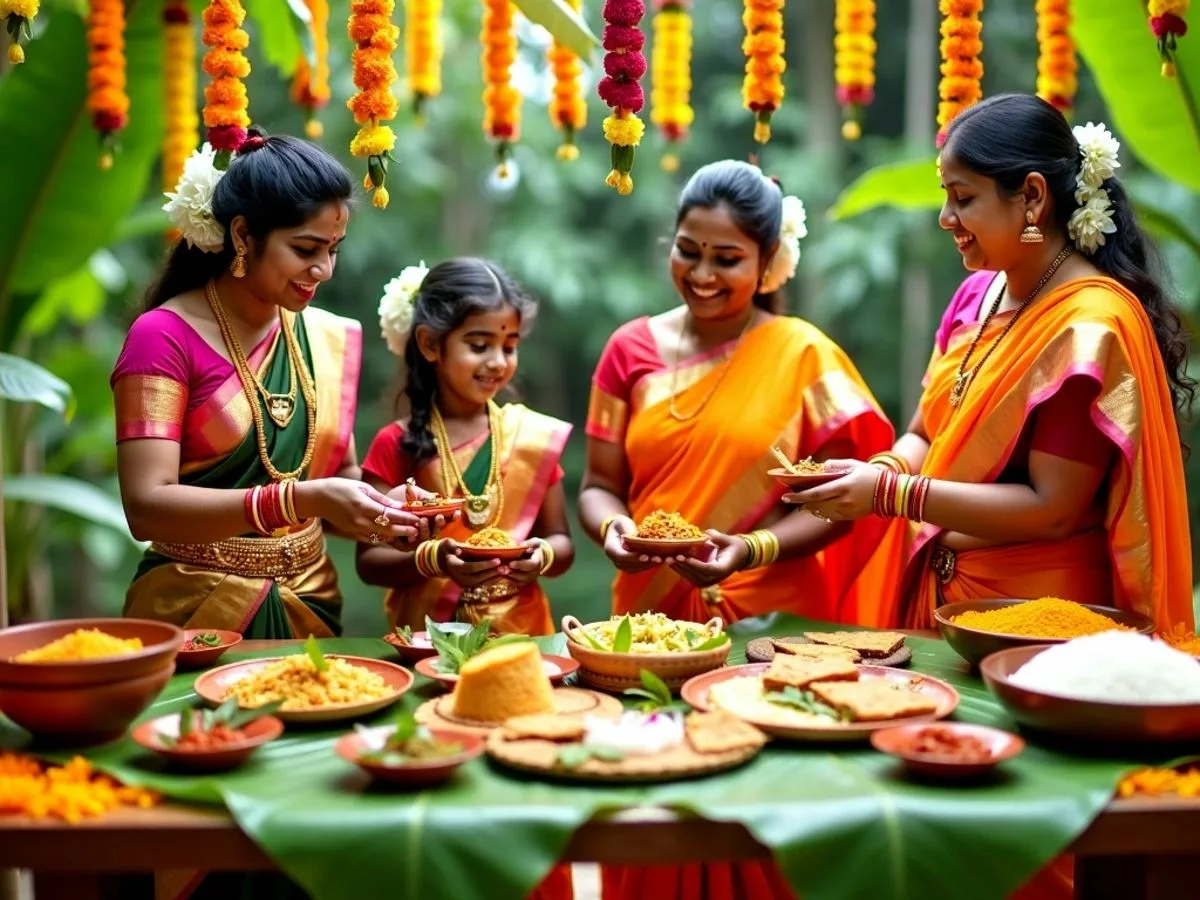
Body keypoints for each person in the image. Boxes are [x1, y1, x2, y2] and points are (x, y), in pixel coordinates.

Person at [784, 94, 1196, 899]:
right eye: (945, 195)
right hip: (943, 614)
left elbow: (1053, 506)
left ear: (1033, 198)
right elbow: (923, 429)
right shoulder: (980, 297)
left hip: (1034, 633)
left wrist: (893, 496)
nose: (946, 218)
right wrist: (864, 473)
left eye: (963, 196)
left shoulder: (1089, 325)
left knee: (1010, 843)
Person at [577, 159, 894, 900]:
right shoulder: (631, 350)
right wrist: (615, 532)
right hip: (647, 630)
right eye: (689, 250)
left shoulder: (802, 354)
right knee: (654, 811)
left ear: (768, 262)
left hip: (769, 628)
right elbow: (598, 487)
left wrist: (750, 548)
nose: (703, 274)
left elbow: (850, 497)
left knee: (767, 816)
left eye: (728, 259)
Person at [112, 128, 425, 639]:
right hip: (195, 612)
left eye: (334, 248)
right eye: (305, 249)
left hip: (311, 605)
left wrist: (393, 517)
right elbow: (147, 507)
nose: (323, 269)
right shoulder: (162, 338)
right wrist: (301, 500)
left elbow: (337, 485)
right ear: (241, 236)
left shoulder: (325, 337)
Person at [356, 257, 575, 637]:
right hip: (429, 641)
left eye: (509, 346)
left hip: (523, 638)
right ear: (429, 344)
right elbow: (370, 557)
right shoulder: (395, 443)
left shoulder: (532, 438)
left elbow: (561, 542)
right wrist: (433, 559)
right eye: (479, 345)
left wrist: (544, 556)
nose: (497, 362)